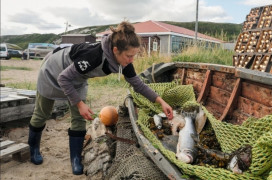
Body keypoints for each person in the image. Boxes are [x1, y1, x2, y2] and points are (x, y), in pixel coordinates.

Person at [28, 21, 173, 175]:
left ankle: (75, 159)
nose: (131, 60)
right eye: (129, 56)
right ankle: (34, 149)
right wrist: (79, 103)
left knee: (79, 117)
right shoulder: (93, 56)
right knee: (42, 113)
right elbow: (63, 78)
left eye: (134, 56)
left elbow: (139, 85)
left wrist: (161, 101)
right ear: (116, 50)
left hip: (77, 78)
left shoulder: (123, 62)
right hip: (53, 71)